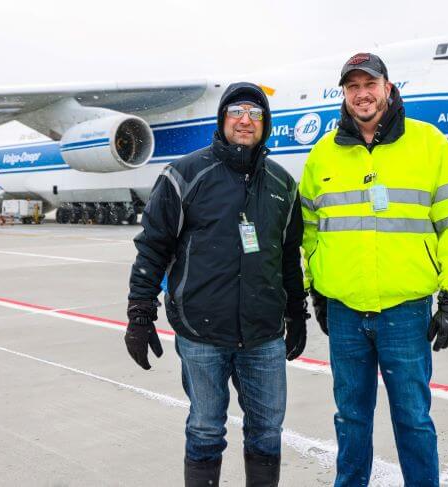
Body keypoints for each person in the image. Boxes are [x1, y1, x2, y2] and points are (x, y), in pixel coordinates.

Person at [299, 53, 448, 486]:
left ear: (387, 87)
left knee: (413, 420)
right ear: (344, 94)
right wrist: (316, 291)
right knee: (350, 419)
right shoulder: (323, 154)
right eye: (352, 86)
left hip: (405, 311)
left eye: (370, 84)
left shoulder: (428, 143)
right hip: (344, 312)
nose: (362, 94)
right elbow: (307, 231)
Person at [124, 82, 308, 487]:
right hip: (201, 333)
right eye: (237, 111)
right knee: (206, 431)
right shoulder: (185, 175)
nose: (246, 121)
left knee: (266, 433)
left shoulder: (281, 184)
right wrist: (140, 311)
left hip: (263, 337)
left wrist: (297, 313)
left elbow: (289, 255)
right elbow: (153, 246)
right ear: (222, 119)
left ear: (266, 124)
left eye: (255, 114)